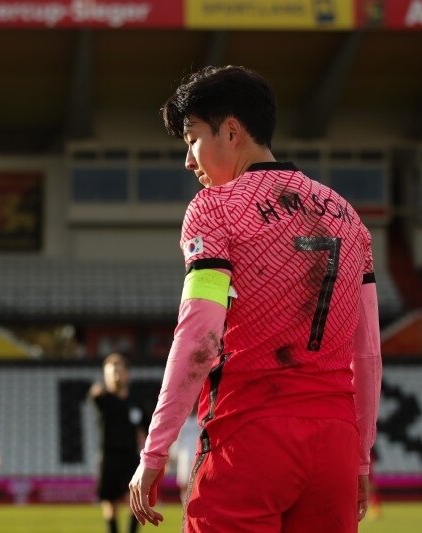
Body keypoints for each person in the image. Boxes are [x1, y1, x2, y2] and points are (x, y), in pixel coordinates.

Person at [128, 65, 382, 532]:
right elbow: (366, 356)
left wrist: (155, 450)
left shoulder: (214, 208)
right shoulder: (349, 218)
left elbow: (201, 334)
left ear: (230, 131)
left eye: (191, 138)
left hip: (248, 438)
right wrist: (360, 462)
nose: (188, 160)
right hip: (335, 444)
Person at [90, 353, 146, 533]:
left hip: (131, 457)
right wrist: (95, 392)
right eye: (110, 373)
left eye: (118, 371)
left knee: (135, 501)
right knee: (110, 504)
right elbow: (94, 396)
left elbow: (147, 430)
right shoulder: (104, 400)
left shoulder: (136, 402)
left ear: (127, 374)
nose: (114, 376)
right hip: (108, 458)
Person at [173, 405, 199, 503]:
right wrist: (174, 455)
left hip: (197, 454)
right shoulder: (182, 421)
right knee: (184, 482)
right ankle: (185, 503)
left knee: (195, 481)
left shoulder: (199, 420)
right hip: (184, 455)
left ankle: (193, 501)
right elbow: (177, 440)